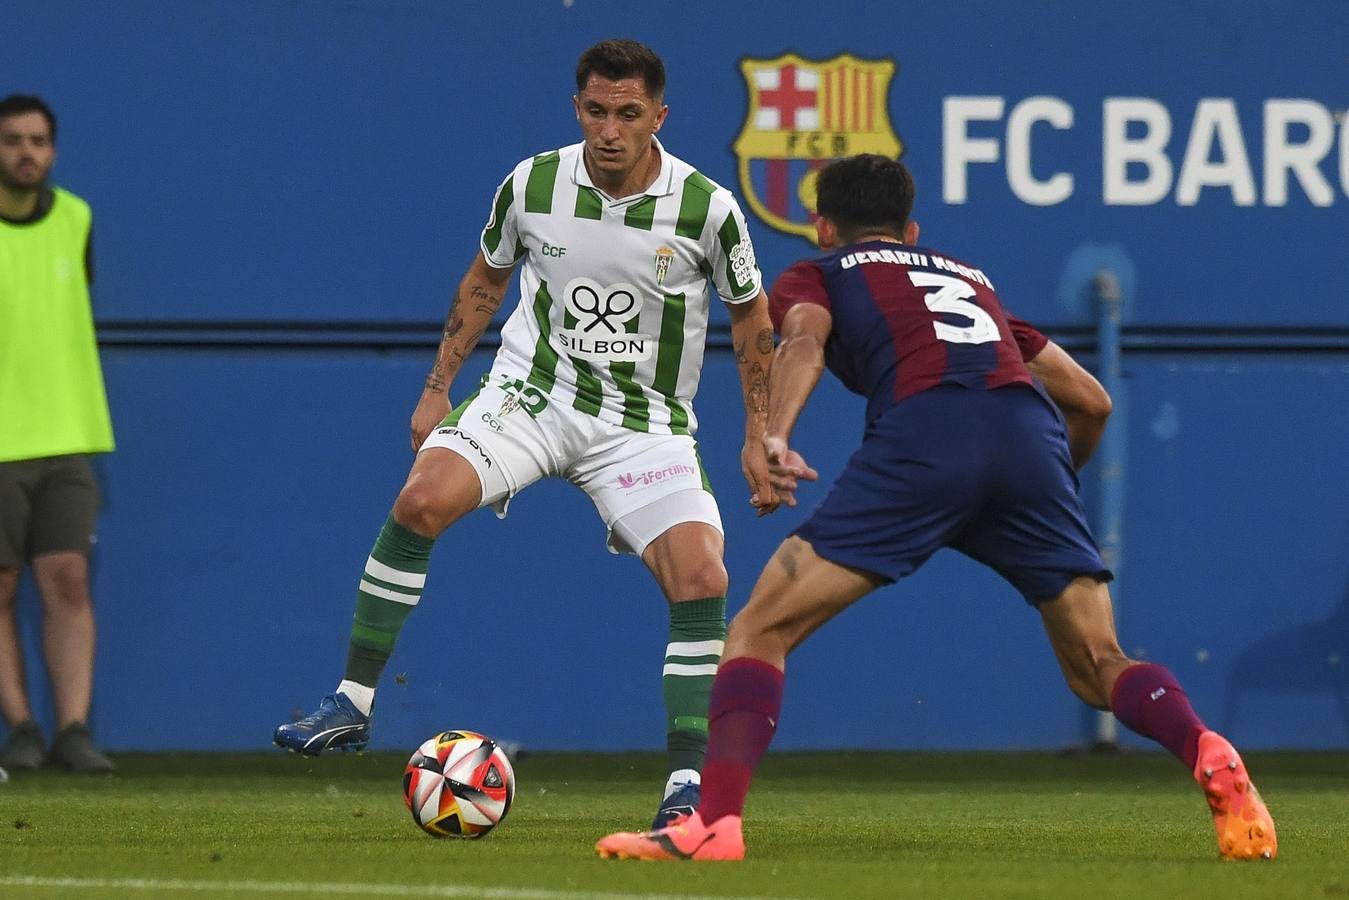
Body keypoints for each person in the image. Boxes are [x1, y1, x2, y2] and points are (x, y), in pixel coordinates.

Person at [595, 154, 1276, 861]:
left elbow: (801, 340)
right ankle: (1203, 744)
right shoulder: (969, 282)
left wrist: (775, 433)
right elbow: (1090, 401)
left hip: (926, 435)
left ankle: (712, 826)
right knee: (1097, 662)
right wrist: (1040, 487)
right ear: (911, 230)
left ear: (822, 228)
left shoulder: (818, 273)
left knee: (758, 630)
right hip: (1027, 439)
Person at [274, 39, 779, 827]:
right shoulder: (532, 183)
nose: (610, 130)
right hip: (531, 394)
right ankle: (350, 701)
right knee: (420, 500)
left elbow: (753, 319)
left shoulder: (706, 208)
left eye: (629, 114)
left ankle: (686, 786)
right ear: (576, 107)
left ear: (659, 117)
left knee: (702, 578)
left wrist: (760, 432)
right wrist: (437, 387)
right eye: (596, 111)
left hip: (641, 424)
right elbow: (486, 279)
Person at [0, 94, 116, 774]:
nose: (25, 152)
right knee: (2, 587)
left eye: (37, 140)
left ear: (53, 149)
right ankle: (21, 728)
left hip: (68, 430)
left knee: (69, 579)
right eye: (12, 139)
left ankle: (73, 731)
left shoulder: (77, 218)